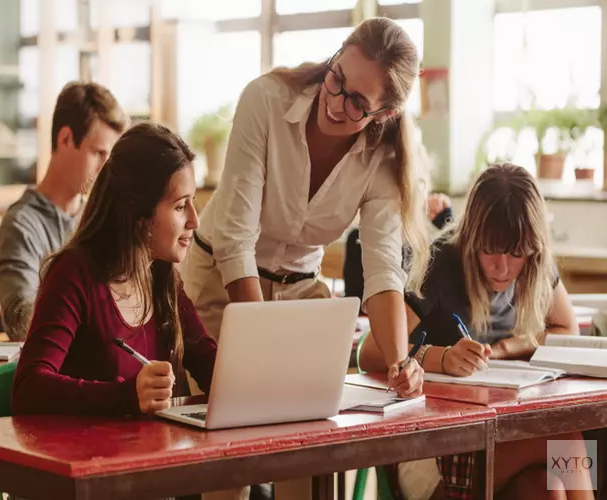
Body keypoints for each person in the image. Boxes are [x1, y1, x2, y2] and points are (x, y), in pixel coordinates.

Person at [181, 17, 428, 399]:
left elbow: (382, 272)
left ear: (384, 114)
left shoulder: (385, 159)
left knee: (306, 432)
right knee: (221, 419)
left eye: (358, 103)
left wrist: (401, 365)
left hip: (299, 297)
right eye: (337, 78)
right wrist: (258, 343)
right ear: (335, 58)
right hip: (219, 284)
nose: (335, 103)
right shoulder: (265, 99)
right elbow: (235, 241)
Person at [359, 163, 593, 500]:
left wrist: (505, 348)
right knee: (568, 443)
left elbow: (565, 327)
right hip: (432, 450)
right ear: (472, 239)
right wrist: (442, 358)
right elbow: (368, 351)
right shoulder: (441, 262)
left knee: (548, 489)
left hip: (499, 432)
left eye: (516, 254)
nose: (503, 267)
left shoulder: (533, 257)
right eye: (490, 251)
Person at [11, 122, 216, 419]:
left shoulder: (163, 277)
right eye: (181, 206)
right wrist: (125, 396)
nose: (195, 221)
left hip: (151, 455)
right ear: (137, 214)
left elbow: (210, 364)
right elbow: (27, 389)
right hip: (89, 459)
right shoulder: (73, 274)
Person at [0, 81, 128, 341]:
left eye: (109, 157)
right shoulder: (21, 226)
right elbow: (19, 321)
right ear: (65, 138)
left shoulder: (103, 218)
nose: (106, 168)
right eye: (98, 153)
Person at [343, 192, 453, 299]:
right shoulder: (358, 238)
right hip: (370, 311)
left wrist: (444, 217)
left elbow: (452, 256)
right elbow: (354, 294)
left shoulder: (416, 243)